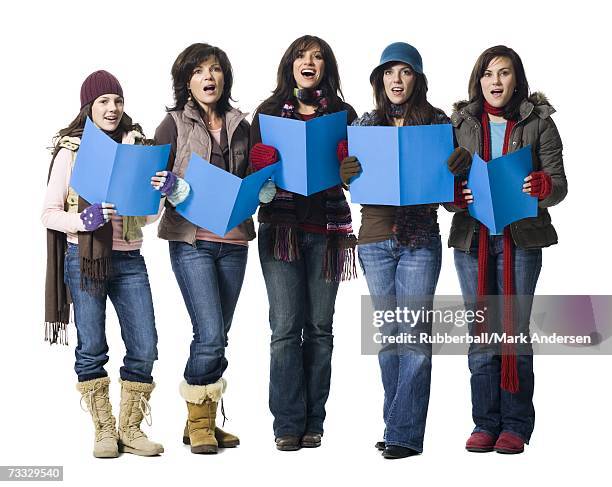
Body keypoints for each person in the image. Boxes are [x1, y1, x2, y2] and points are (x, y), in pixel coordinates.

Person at [338, 42, 471, 459]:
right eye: (389, 72)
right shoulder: (365, 123)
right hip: (375, 239)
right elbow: (353, 184)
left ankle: (404, 434)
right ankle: (396, 422)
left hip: (419, 241)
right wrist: (346, 174)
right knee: (388, 336)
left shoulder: (437, 123)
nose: (397, 80)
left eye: (406, 72)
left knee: (413, 335)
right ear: (380, 79)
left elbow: (451, 199)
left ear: (417, 78)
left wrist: (456, 174)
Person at [447, 45, 567, 454]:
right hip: (472, 239)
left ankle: (515, 424)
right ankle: (485, 422)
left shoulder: (539, 123)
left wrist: (543, 186)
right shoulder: (460, 122)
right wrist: (456, 195)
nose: (495, 82)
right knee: (482, 332)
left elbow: (559, 184)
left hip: (521, 238)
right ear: (478, 80)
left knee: (513, 329)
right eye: (488, 74)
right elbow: (444, 185)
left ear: (517, 79)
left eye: (504, 73)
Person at [42, 70, 164, 458]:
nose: (113, 109)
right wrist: (83, 220)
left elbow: (146, 218)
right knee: (92, 346)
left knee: (144, 345)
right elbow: (48, 213)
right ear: (88, 107)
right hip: (84, 259)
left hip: (129, 257)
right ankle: (104, 430)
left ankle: (131, 428)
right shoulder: (71, 151)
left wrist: (157, 195)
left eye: (118, 101)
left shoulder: (137, 148)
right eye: (103, 102)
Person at [249, 35, 357, 451]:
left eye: (317, 57)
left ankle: (315, 420)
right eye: (301, 55)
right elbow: (253, 185)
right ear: (290, 64)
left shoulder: (346, 114)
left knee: (320, 329)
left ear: (326, 67)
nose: (308, 62)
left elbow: (361, 179)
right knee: (284, 328)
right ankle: (287, 423)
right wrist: (261, 168)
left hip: (328, 234)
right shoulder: (269, 112)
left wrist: (351, 166)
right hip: (281, 233)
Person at [153, 43, 252, 454]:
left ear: (224, 77)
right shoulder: (172, 124)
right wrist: (170, 186)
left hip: (234, 241)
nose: (208, 77)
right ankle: (198, 422)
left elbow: (250, 173)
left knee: (219, 335)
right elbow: (152, 178)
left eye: (215, 69)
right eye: (198, 71)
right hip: (192, 240)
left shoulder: (241, 124)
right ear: (187, 81)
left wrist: (258, 189)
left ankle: (204, 420)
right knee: (209, 333)